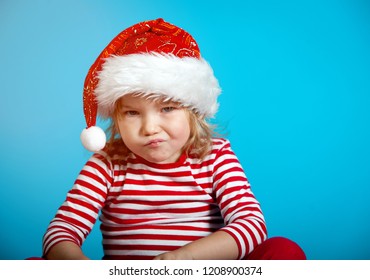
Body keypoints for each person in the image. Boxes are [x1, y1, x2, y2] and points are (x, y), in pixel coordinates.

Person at [41, 18, 306, 260]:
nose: (150, 127)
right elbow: (62, 230)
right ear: (117, 120)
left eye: (167, 109)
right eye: (132, 113)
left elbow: (250, 223)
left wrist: (183, 259)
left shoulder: (215, 156)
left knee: (283, 251)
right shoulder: (107, 164)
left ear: (193, 112)